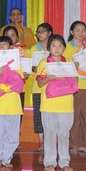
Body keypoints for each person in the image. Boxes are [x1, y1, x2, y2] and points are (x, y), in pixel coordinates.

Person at [36, 34, 76, 171]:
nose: (57, 49)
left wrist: (72, 73)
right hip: (49, 105)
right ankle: (50, 162)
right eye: (53, 46)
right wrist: (48, 78)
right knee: (50, 134)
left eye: (60, 46)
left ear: (64, 48)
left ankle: (64, 162)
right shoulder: (44, 63)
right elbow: (40, 83)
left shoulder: (69, 62)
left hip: (66, 104)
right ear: (49, 48)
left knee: (64, 135)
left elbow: (75, 82)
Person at [0, 36, 25, 169]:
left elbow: (21, 83)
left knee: (12, 134)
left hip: (13, 105)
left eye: (5, 44)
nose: (2, 46)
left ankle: (7, 158)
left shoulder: (17, 64)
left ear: (11, 47)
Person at [64, 21, 86, 154]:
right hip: (74, 86)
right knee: (74, 115)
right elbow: (64, 64)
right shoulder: (67, 46)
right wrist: (73, 65)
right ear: (71, 32)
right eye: (77, 30)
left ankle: (83, 143)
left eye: (83, 30)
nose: (80, 33)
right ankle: (73, 144)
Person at [31, 23, 53, 152]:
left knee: (50, 115)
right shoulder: (34, 48)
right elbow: (31, 67)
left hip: (52, 86)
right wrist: (33, 67)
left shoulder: (54, 46)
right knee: (38, 115)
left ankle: (50, 141)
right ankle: (41, 142)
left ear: (49, 33)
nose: (40, 34)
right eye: (38, 32)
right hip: (38, 86)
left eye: (43, 31)